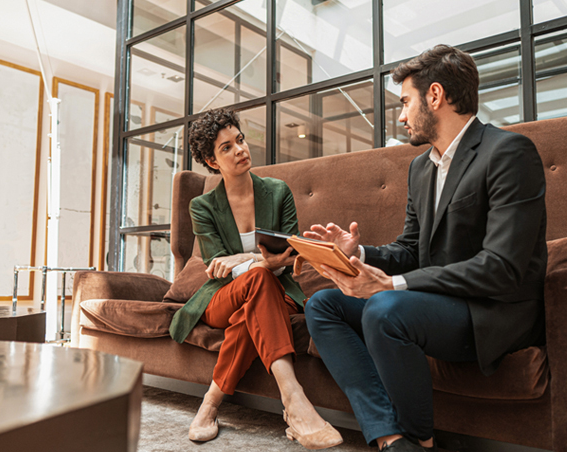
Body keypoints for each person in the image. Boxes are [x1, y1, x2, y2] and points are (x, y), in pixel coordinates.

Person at [303, 45, 547, 452]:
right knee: (323, 304)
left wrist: (391, 285)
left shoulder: (508, 153)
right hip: (433, 303)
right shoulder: (420, 167)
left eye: (405, 102)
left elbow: (501, 267)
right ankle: (391, 437)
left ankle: (421, 439)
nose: (400, 116)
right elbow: (412, 248)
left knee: (384, 308)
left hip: (489, 311)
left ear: (435, 96)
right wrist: (357, 254)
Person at [169, 107, 343, 449]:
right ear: (212, 161)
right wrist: (260, 262)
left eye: (240, 140)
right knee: (258, 281)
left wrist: (246, 259)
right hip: (222, 296)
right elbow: (219, 267)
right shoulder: (202, 206)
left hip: (277, 290)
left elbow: (292, 254)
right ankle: (293, 399)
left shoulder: (277, 192)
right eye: (227, 148)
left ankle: (211, 404)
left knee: (254, 303)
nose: (240, 150)